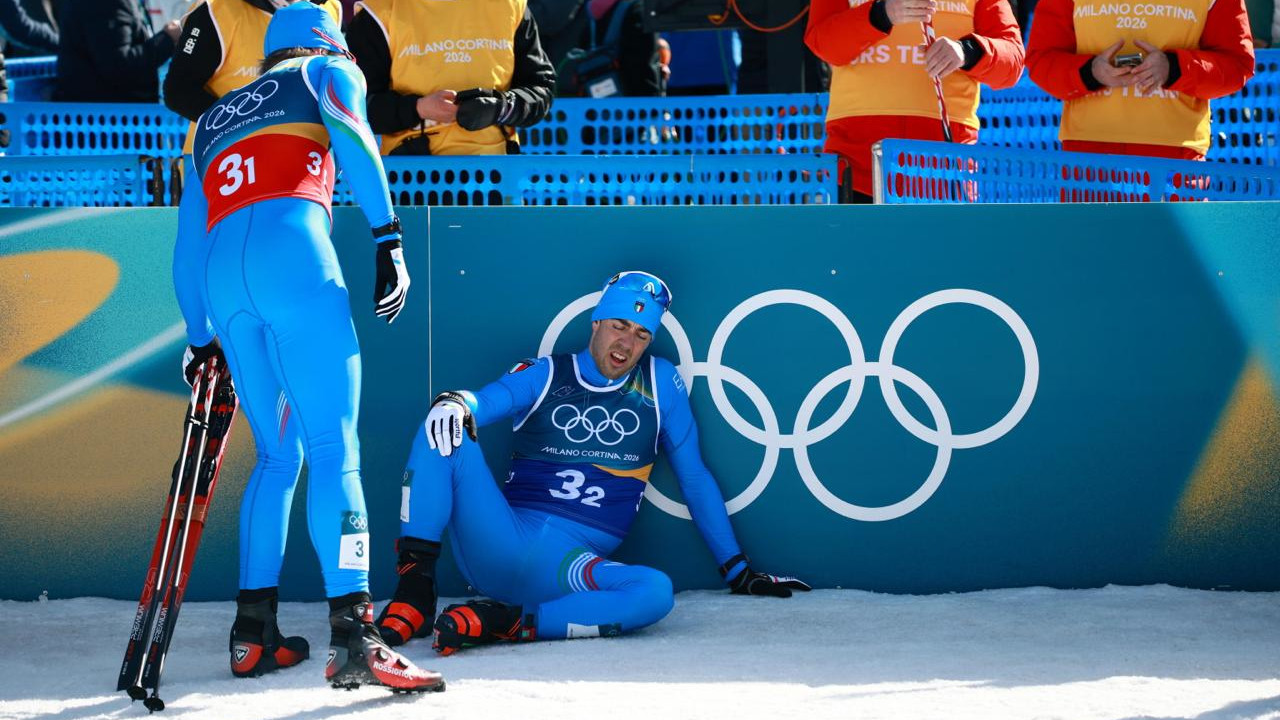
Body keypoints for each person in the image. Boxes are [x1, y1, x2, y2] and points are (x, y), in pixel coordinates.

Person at [172, 2, 441, 692]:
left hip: (225, 290)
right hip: (295, 265)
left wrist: (200, 339)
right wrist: (389, 239)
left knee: (275, 456)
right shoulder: (326, 71)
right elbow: (356, 144)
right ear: (328, 41)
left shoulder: (209, 121)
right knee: (332, 450)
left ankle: (251, 634)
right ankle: (356, 636)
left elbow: (186, 248)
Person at [375, 271, 810, 654]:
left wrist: (737, 570)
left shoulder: (661, 383)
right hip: (498, 537)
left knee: (654, 591)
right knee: (445, 420)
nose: (627, 341)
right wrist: (460, 402)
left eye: (641, 333)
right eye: (620, 325)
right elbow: (489, 400)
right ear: (597, 321)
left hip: (568, 568)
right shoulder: (548, 372)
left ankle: (507, 623)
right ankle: (415, 590)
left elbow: (693, 477)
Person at [805, 0, 1024, 202]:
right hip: (857, 163)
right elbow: (822, 42)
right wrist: (881, 14)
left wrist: (966, 51)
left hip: (945, 166)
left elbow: (1013, 61)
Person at [1025, 0, 1254, 159]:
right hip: (1089, 152)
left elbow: (1236, 64)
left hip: (1174, 154)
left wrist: (1173, 68)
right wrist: (1090, 72)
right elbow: (1041, 59)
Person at [344, 0, 555, 155]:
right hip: (413, 179)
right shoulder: (379, 12)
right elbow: (354, 107)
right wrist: (418, 108)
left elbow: (541, 89)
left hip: (497, 177)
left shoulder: (509, 5)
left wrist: (500, 108)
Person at [164, 0, 344, 156]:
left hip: (303, 162)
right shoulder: (216, 10)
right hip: (221, 164)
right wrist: (250, 126)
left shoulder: (330, 8)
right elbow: (178, 92)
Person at [53, 0, 180, 102]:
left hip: (105, 117)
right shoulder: (106, 4)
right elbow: (119, 66)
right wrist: (168, 38)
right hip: (104, 121)